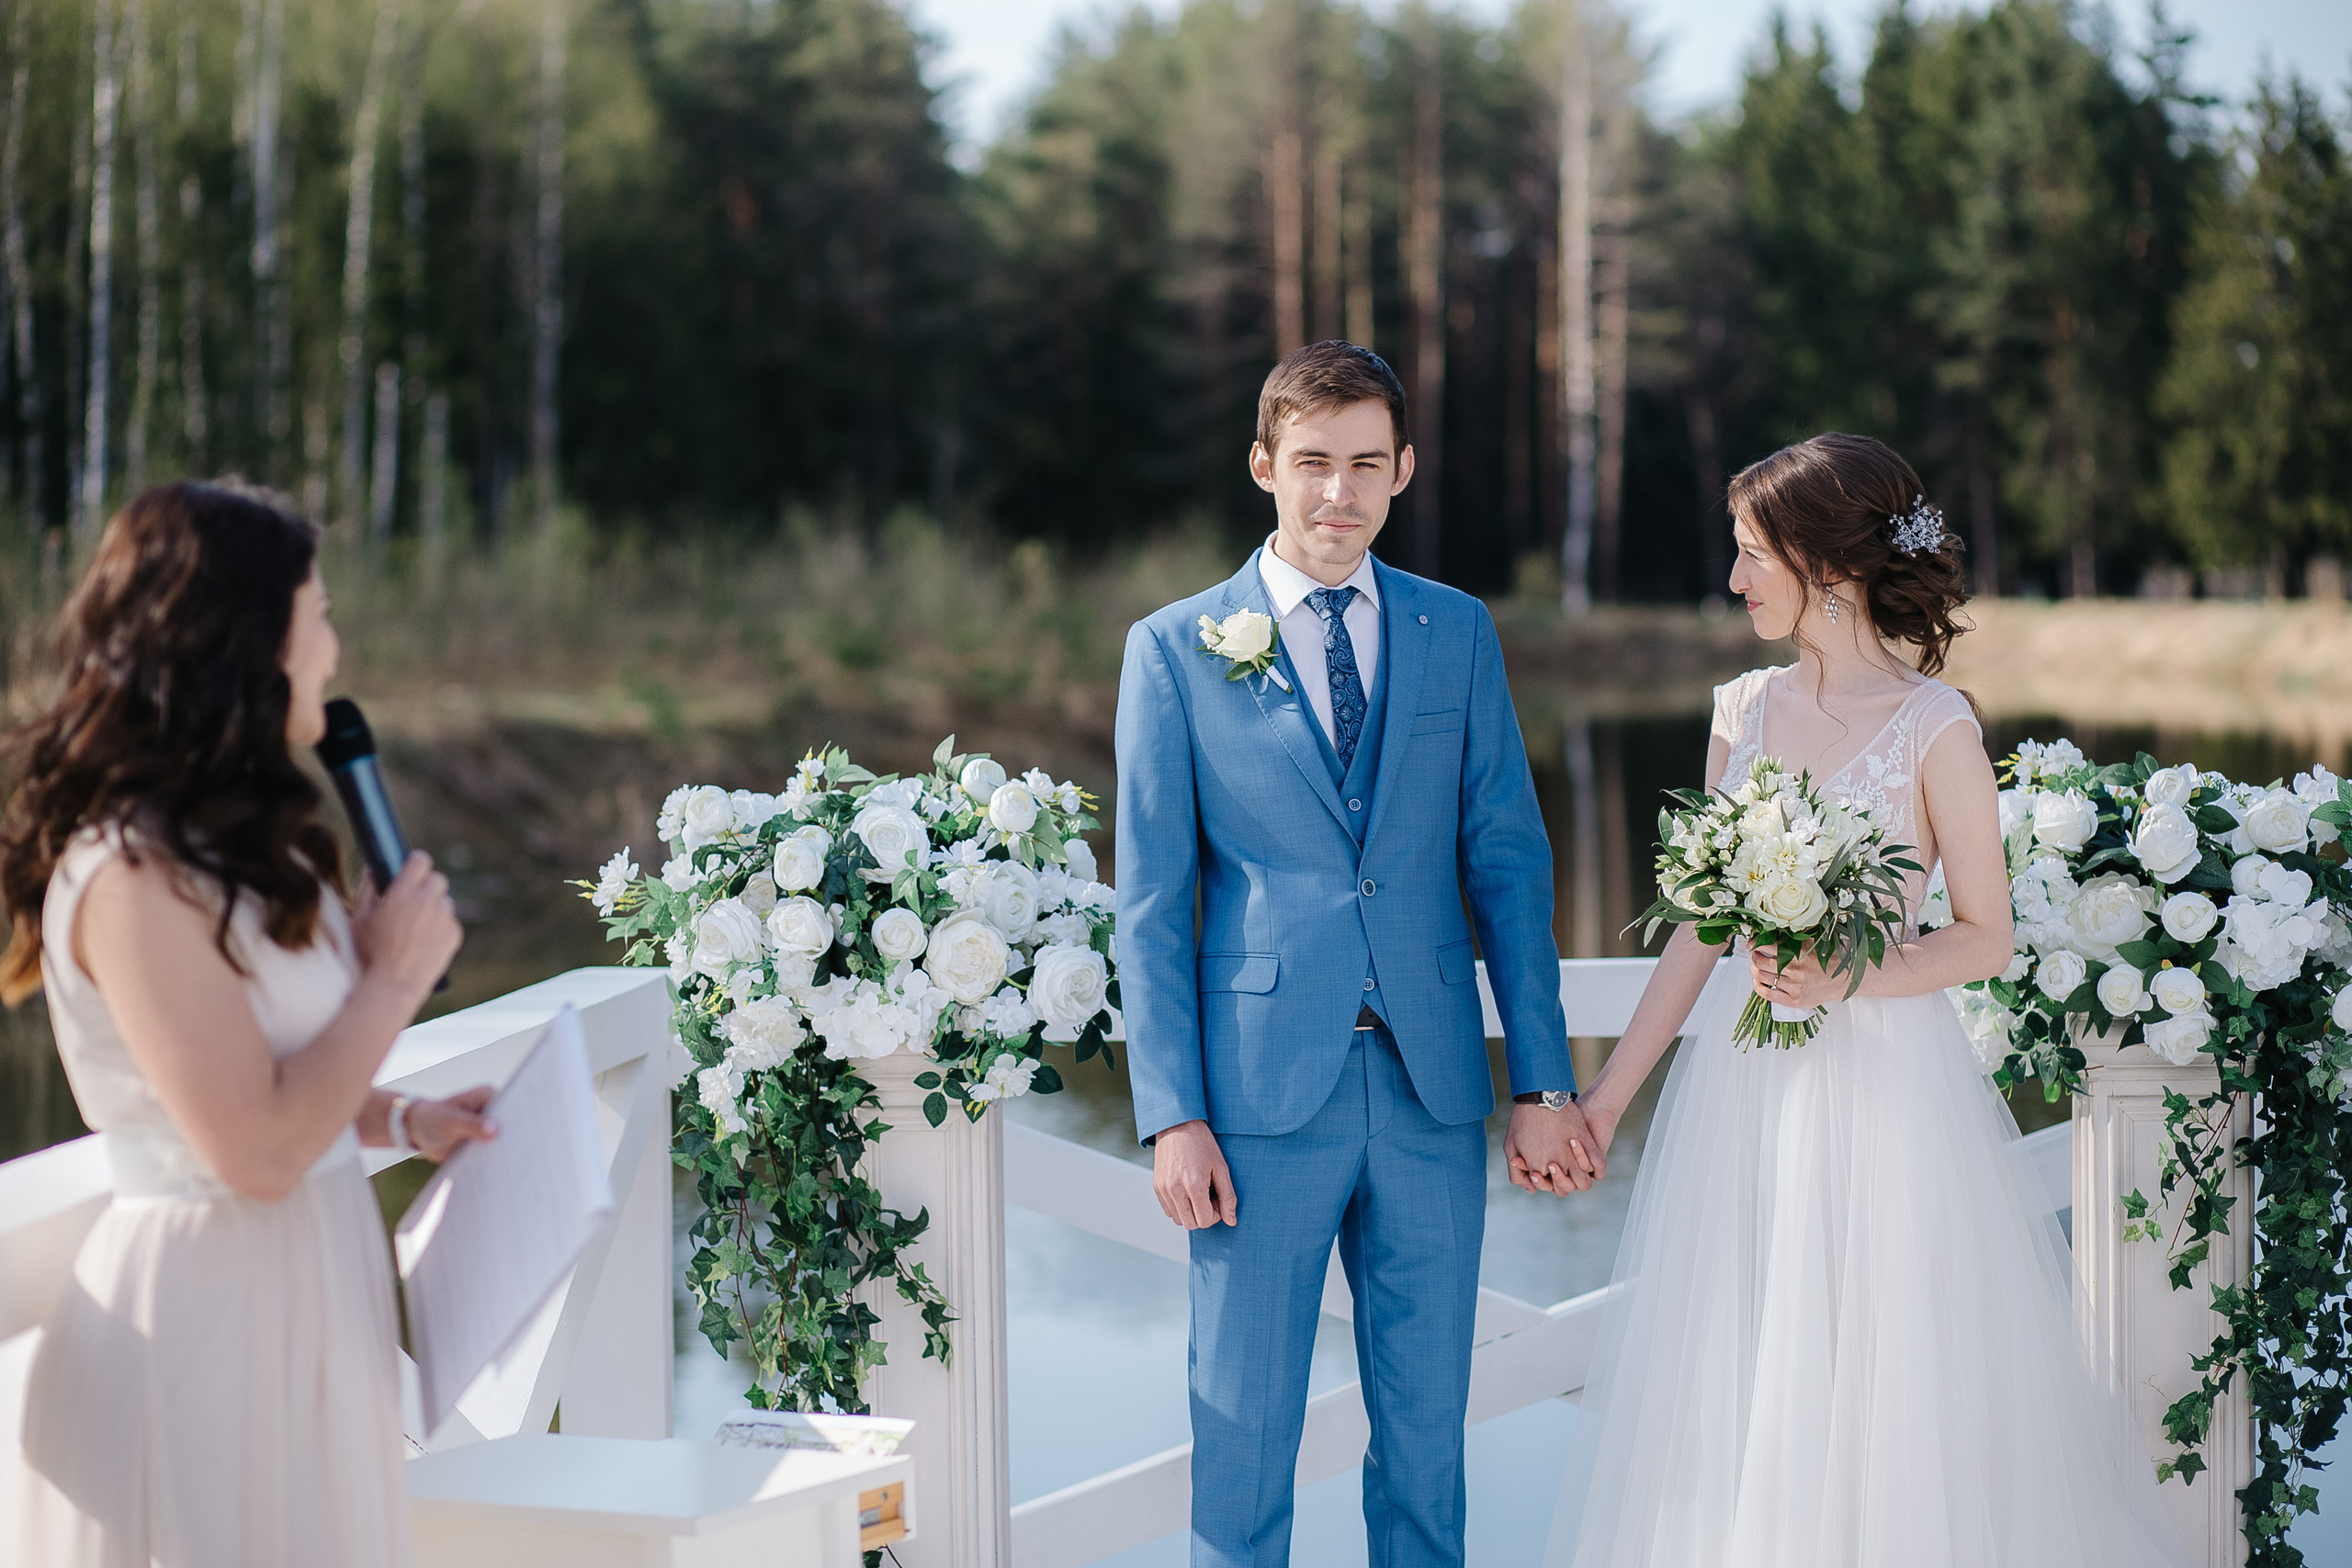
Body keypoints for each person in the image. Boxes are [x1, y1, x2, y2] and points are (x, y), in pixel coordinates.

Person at [1541, 434, 2191, 1567]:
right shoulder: (1741, 710)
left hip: (1890, 1099)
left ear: (1827, 567)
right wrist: (1603, 1098)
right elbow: (1699, 925)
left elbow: (1984, 939)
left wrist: (1854, 974)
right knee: (1750, 1376)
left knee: (1892, 1385)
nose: (1734, 578)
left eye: (1751, 554)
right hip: (1748, 1099)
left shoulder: (1937, 727)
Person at [1115, 340, 1600, 1568]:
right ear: (1265, 465)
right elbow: (1154, 900)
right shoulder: (1175, 647)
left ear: (1404, 471)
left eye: (1367, 466)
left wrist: (1542, 1084)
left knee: (1429, 1441)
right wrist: (1172, 1112)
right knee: (1242, 1435)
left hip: (1434, 1090)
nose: (1340, 493)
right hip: (1255, 1104)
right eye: (1315, 463)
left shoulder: (1456, 631)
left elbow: (1508, 863)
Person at [1, 481, 487, 1568]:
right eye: (317, 612)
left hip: (308, 1302)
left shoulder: (234, 856)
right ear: (246, 641)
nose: (334, 644)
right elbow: (249, 1148)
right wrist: (391, 983)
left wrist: (405, 1121)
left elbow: (279, 1085)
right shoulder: (130, 875)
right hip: (205, 1327)